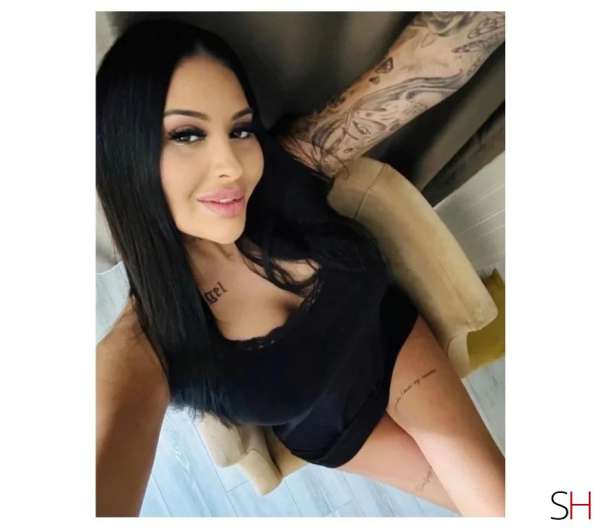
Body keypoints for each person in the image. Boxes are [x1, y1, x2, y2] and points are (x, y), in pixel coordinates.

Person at [96, 13, 505, 517]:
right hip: (335, 431)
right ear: (125, 154)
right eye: (186, 135)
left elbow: (435, 58)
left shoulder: (288, 168)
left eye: (240, 129)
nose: (231, 165)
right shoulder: (150, 337)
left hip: (393, 344)